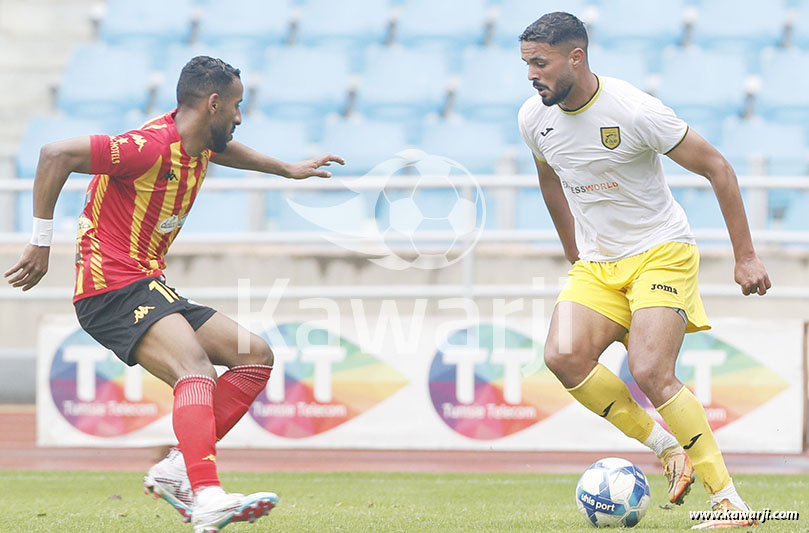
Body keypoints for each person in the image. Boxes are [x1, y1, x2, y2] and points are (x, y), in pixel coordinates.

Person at [5, 56, 344, 533]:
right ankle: (205, 495)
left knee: (254, 356)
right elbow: (55, 154)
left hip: (148, 282)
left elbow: (220, 150)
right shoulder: (146, 147)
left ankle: (177, 467)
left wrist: (285, 169)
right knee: (196, 369)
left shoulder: (198, 141)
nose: (239, 117)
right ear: (213, 104)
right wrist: (41, 243)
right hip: (111, 289)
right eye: (236, 106)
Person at [517, 13, 770, 530]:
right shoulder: (532, 119)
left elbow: (718, 167)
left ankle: (729, 504)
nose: (531, 75)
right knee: (562, 356)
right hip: (598, 263)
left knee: (651, 369)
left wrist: (745, 256)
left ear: (576, 57)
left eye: (540, 63)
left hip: (660, 251)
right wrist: (574, 251)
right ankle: (667, 448)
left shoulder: (633, 110)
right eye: (526, 65)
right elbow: (549, 181)